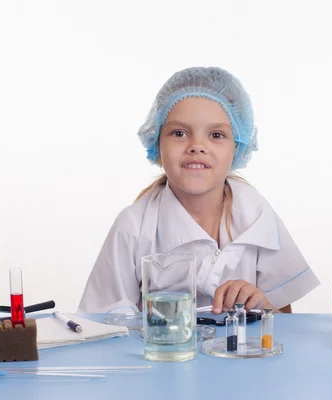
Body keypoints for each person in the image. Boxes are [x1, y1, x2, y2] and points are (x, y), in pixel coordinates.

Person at [78, 66, 319, 316]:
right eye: (179, 133)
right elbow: (101, 325)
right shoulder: (133, 227)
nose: (197, 146)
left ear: (237, 147)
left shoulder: (257, 215)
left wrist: (260, 304)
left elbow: (285, 323)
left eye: (216, 135)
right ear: (156, 142)